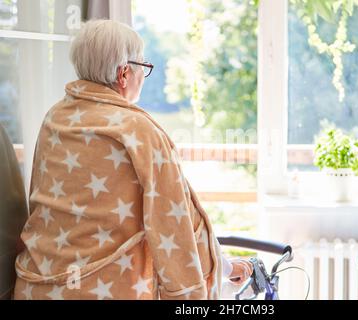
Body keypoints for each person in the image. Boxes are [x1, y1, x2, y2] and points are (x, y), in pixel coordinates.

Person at [14, 19, 252, 300]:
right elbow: (174, 227)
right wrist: (207, 282)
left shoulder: (55, 117)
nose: (143, 75)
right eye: (143, 67)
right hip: (104, 291)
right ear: (124, 73)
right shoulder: (138, 131)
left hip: (36, 286)